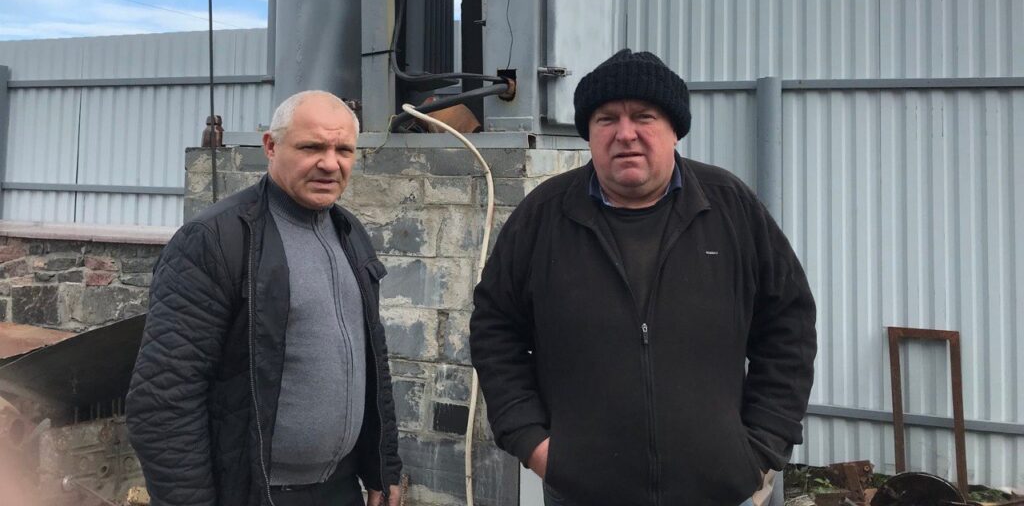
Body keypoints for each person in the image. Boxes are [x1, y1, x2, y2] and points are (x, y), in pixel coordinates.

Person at [470, 49, 817, 506]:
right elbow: (495, 328)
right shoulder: (544, 216)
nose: (625, 133)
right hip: (581, 492)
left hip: (717, 490)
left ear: (675, 129)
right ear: (588, 132)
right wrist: (534, 443)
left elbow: (789, 325)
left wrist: (760, 447)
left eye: (644, 116)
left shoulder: (730, 207)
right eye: (606, 119)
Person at [127, 90, 402, 506]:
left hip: (340, 489)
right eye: (312, 147)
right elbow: (164, 397)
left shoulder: (350, 233)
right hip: (254, 492)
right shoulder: (216, 240)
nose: (330, 163)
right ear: (271, 146)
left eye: (344, 150)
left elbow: (373, 361)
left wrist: (383, 465)